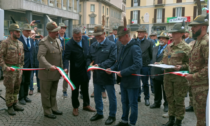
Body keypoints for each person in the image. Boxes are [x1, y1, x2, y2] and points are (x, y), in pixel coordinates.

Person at [107, 24, 142, 126]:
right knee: (124, 102)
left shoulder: (135, 47)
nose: (118, 40)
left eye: (120, 37)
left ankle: (132, 123)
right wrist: (112, 69)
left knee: (133, 104)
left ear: (127, 36)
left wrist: (123, 72)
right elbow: (119, 62)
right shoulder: (123, 46)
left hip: (132, 81)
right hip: (124, 81)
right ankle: (124, 120)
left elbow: (138, 65)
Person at [159, 22, 191, 126]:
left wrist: (181, 67)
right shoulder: (169, 46)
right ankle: (171, 119)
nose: (173, 34)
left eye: (175, 33)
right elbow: (165, 60)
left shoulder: (187, 48)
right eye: (172, 32)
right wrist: (158, 64)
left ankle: (178, 121)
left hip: (179, 79)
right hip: (168, 77)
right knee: (169, 99)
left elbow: (191, 65)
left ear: (182, 33)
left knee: (179, 100)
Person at [87, 25, 117, 125]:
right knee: (97, 96)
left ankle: (112, 115)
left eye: (99, 35)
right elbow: (89, 57)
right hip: (97, 75)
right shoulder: (93, 45)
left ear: (104, 34)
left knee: (111, 96)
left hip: (107, 74)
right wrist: (89, 64)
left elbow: (112, 59)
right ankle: (99, 113)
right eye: (96, 36)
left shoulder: (112, 45)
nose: (97, 38)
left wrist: (99, 65)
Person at [64, 28, 96, 116]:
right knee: (75, 90)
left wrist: (91, 62)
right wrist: (66, 67)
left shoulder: (86, 39)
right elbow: (66, 57)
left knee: (85, 89)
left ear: (81, 35)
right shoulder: (69, 44)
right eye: (76, 37)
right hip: (75, 71)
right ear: (73, 35)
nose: (78, 39)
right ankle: (75, 107)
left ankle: (86, 104)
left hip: (85, 69)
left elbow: (89, 52)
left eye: (79, 37)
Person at [185, 14, 209, 126]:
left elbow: (209, 67)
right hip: (195, 87)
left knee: (203, 118)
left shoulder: (206, 42)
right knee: (199, 117)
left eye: (195, 26)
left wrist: (193, 76)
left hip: (203, 88)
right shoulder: (197, 42)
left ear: (203, 27)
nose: (192, 29)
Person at [37, 19, 63, 119]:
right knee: (46, 94)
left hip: (55, 73)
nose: (58, 32)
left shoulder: (58, 40)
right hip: (46, 74)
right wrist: (49, 66)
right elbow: (40, 57)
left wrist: (62, 69)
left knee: (53, 92)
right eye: (56, 30)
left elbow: (60, 56)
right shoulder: (44, 42)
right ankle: (47, 111)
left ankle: (54, 108)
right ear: (49, 31)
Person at [0, 22, 24, 115]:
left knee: (17, 88)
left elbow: (22, 57)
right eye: (17, 32)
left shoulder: (20, 43)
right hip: (9, 70)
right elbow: (0, 56)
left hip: (18, 70)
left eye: (19, 32)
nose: (19, 33)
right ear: (11, 32)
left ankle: (14, 103)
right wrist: (5, 67)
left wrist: (21, 67)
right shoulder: (5, 43)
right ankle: (9, 106)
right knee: (10, 89)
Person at [150, 31, 168, 112]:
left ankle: (166, 105)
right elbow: (152, 59)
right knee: (156, 89)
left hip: (164, 73)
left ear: (167, 40)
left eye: (163, 38)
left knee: (165, 90)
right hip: (155, 72)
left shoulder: (169, 49)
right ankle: (157, 102)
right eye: (160, 38)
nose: (161, 40)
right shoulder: (155, 48)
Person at [136, 26, 153, 106]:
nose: (139, 33)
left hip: (145, 65)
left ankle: (147, 98)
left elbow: (151, 55)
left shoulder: (149, 42)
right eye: (138, 32)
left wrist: (149, 64)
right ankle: (137, 96)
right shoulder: (134, 41)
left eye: (141, 32)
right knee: (136, 82)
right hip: (136, 65)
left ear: (145, 34)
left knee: (145, 83)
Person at [18, 23, 34, 105]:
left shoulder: (31, 40)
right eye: (27, 31)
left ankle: (25, 96)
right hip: (22, 64)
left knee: (28, 81)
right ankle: (21, 97)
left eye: (29, 30)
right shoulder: (19, 40)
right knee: (22, 81)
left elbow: (32, 52)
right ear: (23, 31)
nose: (29, 32)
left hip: (30, 64)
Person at [58, 22, 69, 98]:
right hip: (57, 58)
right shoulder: (55, 38)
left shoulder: (67, 38)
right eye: (61, 28)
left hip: (65, 59)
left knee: (66, 75)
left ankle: (64, 90)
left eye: (64, 28)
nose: (62, 29)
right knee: (55, 75)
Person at [29, 30, 42, 95]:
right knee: (31, 77)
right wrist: (31, 40)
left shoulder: (38, 42)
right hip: (31, 62)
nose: (33, 35)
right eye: (32, 34)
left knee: (38, 76)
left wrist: (39, 39)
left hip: (37, 62)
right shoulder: (29, 41)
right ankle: (31, 89)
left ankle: (39, 88)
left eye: (34, 33)